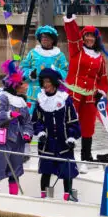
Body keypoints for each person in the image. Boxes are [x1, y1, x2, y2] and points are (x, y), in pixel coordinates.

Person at [63, 12, 108, 162]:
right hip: (73, 93)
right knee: (69, 122)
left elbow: (102, 78)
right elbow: (72, 36)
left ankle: (86, 155)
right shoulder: (77, 50)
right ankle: (67, 153)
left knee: (88, 125)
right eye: (87, 35)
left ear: (96, 39)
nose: (89, 38)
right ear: (83, 37)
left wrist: (101, 92)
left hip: (90, 96)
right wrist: (70, 21)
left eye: (92, 36)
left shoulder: (100, 57)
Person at [32, 69, 81, 201]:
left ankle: (67, 197)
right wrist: (40, 131)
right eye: (43, 82)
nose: (45, 84)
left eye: (48, 81)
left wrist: (71, 136)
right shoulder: (40, 100)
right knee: (46, 171)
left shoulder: (65, 99)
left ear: (53, 83)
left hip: (63, 142)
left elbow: (73, 120)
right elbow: (36, 120)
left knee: (67, 172)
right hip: (47, 143)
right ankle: (44, 197)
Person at [0, 60, 33, 194]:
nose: (26, 85)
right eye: (24, 82)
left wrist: (27, 133)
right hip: (2, 141)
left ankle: (14, 199)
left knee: (15, 174)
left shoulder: (22, 102)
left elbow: (27, 122)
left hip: (17, 143)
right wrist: (9, 114)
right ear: (16, 85)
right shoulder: (2, 98)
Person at [20, 26, 69, 113]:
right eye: (42, 37)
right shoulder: (32, 53)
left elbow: (66, 72)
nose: (44, 39)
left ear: (52, 40)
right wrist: (29, 74)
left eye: (47, 37)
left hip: (52, 94)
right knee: (31, 121)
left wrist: (56, 71)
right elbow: (22, 68)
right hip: (33, 95)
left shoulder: (59, 55)